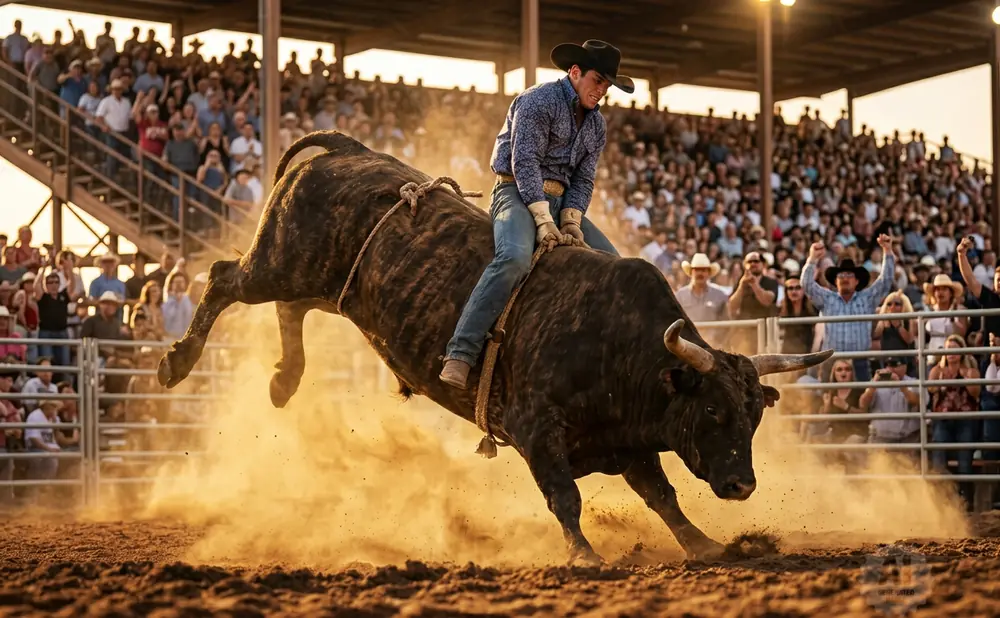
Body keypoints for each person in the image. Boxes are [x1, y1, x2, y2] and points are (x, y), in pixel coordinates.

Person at [440, 40, 633, 388]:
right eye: (598, 81)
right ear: (575, 72)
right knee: (513, 258)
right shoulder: (537, 100)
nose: (602, 91)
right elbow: (524, 162)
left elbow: (584, 178)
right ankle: (461, 353)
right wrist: (543, 219)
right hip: (514, 192)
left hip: (561, 204)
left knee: (616, 267)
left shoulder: (596, 125)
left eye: (607, 85)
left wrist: (571, 219)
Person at [800, 235, 895, 383]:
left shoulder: (867, 298)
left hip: (860, 361)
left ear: (856, 281)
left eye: (849, 275)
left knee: (862, 400)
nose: (845, 278)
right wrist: (812, 259)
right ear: (835, 281)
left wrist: (887, 251)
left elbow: (885, 281)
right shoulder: (827, 298)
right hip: (831, 360)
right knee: (828, 401)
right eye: (841, 275)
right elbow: (807, 285)